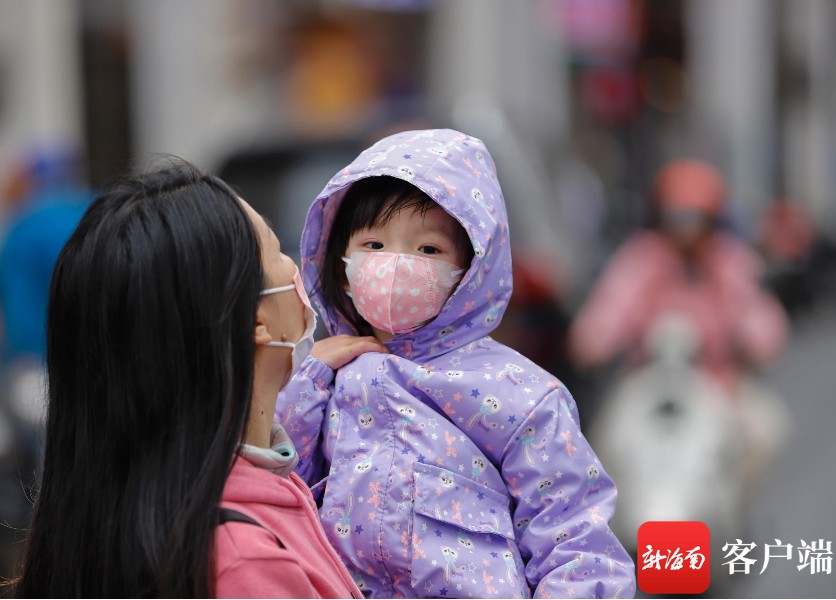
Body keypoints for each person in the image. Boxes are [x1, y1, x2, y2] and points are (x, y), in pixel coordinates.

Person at [275, 129, 636, 598]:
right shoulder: (324, 381)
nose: (396, 265)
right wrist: (309, 380)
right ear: (339, 260)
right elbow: (278, 488)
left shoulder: (516, 393)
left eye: (428, 249)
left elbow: (573, 535)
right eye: (373, 245)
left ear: (471, 271)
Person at [14, 159, 372, 598]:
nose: (296, 269)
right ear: (253, 318)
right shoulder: (244, 564)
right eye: (278, 251)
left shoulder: (134, 519)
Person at [568, 159, 790, 496]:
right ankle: (621, 527)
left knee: (765, 430)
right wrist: (594, 342)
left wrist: (746, 333)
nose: (685, 229)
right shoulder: (642, 258)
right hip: (646, 386)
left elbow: (765, 330)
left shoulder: (730, 261)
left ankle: (728, 510)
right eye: (677, 217)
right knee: (606, 442)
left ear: (713, 218)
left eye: (695, 218)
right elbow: (604, 316)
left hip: (717, 385)